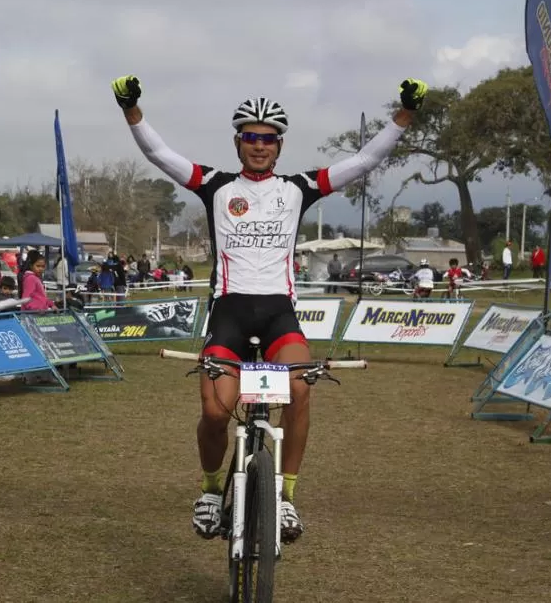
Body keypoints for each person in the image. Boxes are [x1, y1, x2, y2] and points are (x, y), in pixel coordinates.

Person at [111, 73, 426, 542]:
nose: (260, 145)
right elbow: (159, 155)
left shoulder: (299, 188)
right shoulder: (214, 186)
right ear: (238, 142)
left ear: (279, 146)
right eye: (251, 137)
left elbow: (364, 160)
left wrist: (405, 116)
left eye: (269, 139)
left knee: (300, 392)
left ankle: (285, 498)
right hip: (229, 316)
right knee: (216, 413)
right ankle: (211, 489)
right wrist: (131, 110)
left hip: (280, 315)